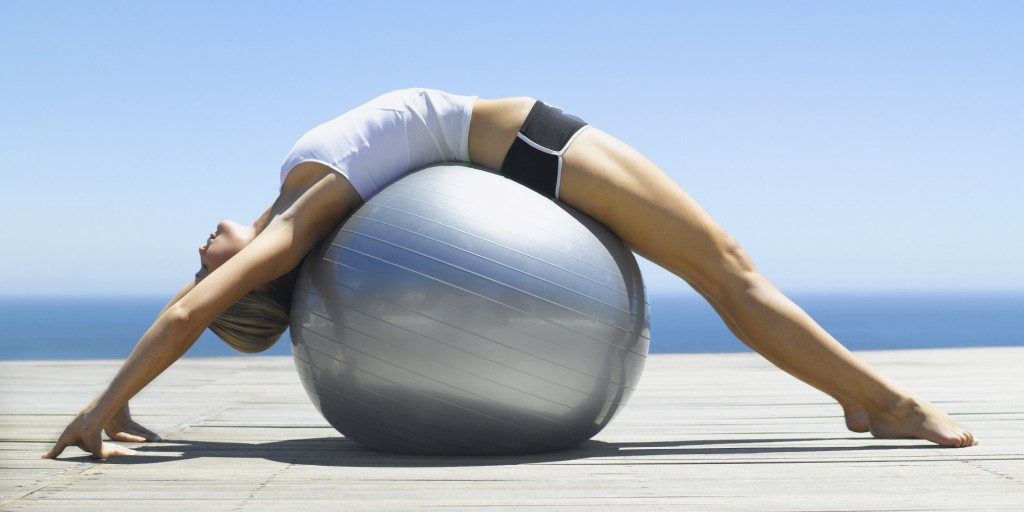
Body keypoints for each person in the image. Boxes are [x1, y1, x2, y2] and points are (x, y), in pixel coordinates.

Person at [43, 88, 976, 460]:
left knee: (729, 272)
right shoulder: (293, 224)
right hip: (530, 147)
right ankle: (880, 402)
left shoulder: (293, 209)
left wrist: (117, 404)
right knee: (730, 271)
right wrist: (101, 409)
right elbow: (191, 311)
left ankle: (868, 398)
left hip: (514, 164)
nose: (194, 255)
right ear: (247, 278)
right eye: (206, 267)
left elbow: (191, 309)